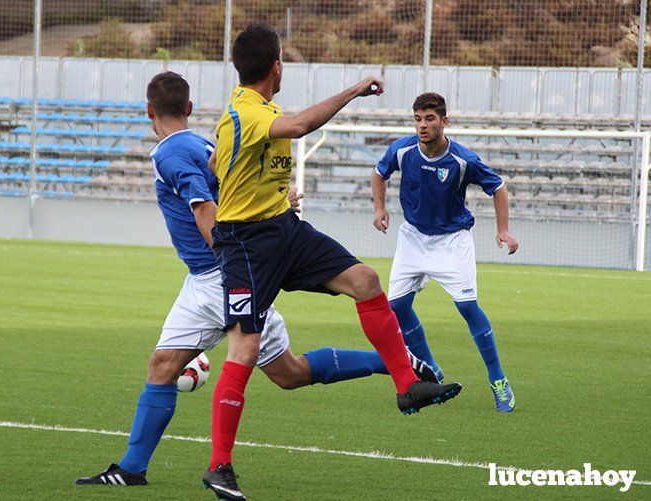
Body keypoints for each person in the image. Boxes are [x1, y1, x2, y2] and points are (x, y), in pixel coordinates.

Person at [74, 72, 437, 488]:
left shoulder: (169, 155)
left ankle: (394, 363)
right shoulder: (203, 144)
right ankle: (132, 469)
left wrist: (232, 259)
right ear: (190, 109)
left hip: (223, 273)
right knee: (231, 369)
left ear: (149, 111)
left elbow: (205, 208)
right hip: (204, 279)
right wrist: (281, 201)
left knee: (264, 368)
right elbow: (240, 184)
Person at [204, 24, 462, 500]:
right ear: (276, 65)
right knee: (245, 348)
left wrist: (274, 193)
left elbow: (228, 166)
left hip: (284, 229)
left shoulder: (258, 111)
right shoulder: (242, 111)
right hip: (246, 246)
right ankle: (219, 465)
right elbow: (299, 128)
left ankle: (408, 385)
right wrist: (356, 89)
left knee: (365, 280)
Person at [371, 92, 519, 413]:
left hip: (452, 240)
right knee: (396, 306)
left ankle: (498, 380)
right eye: (417, 119)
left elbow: (498, 187)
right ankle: (430, 368)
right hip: (412, 237)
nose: (422, 125)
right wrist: (379, 208)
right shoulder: (403, 149)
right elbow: (380, 173)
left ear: (444, 121)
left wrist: (503, 229)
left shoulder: (463, 159)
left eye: (429, 119)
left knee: (467, 307)